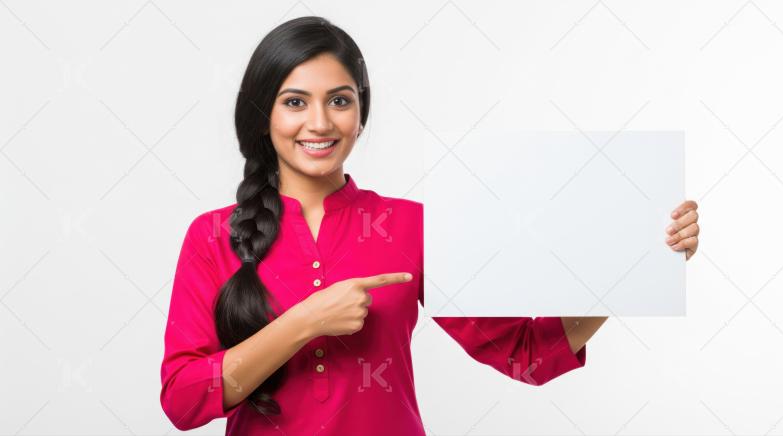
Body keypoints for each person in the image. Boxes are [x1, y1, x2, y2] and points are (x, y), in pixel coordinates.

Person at [159, 16, 700, 435]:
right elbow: (183, 400)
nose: (320, 122)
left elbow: (526, 354)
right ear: (263, 116)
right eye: (295, 102)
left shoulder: (411, 226)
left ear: (361, 114)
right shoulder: (212, 236)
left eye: (339, 101)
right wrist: (304, 322)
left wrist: (636, 263)